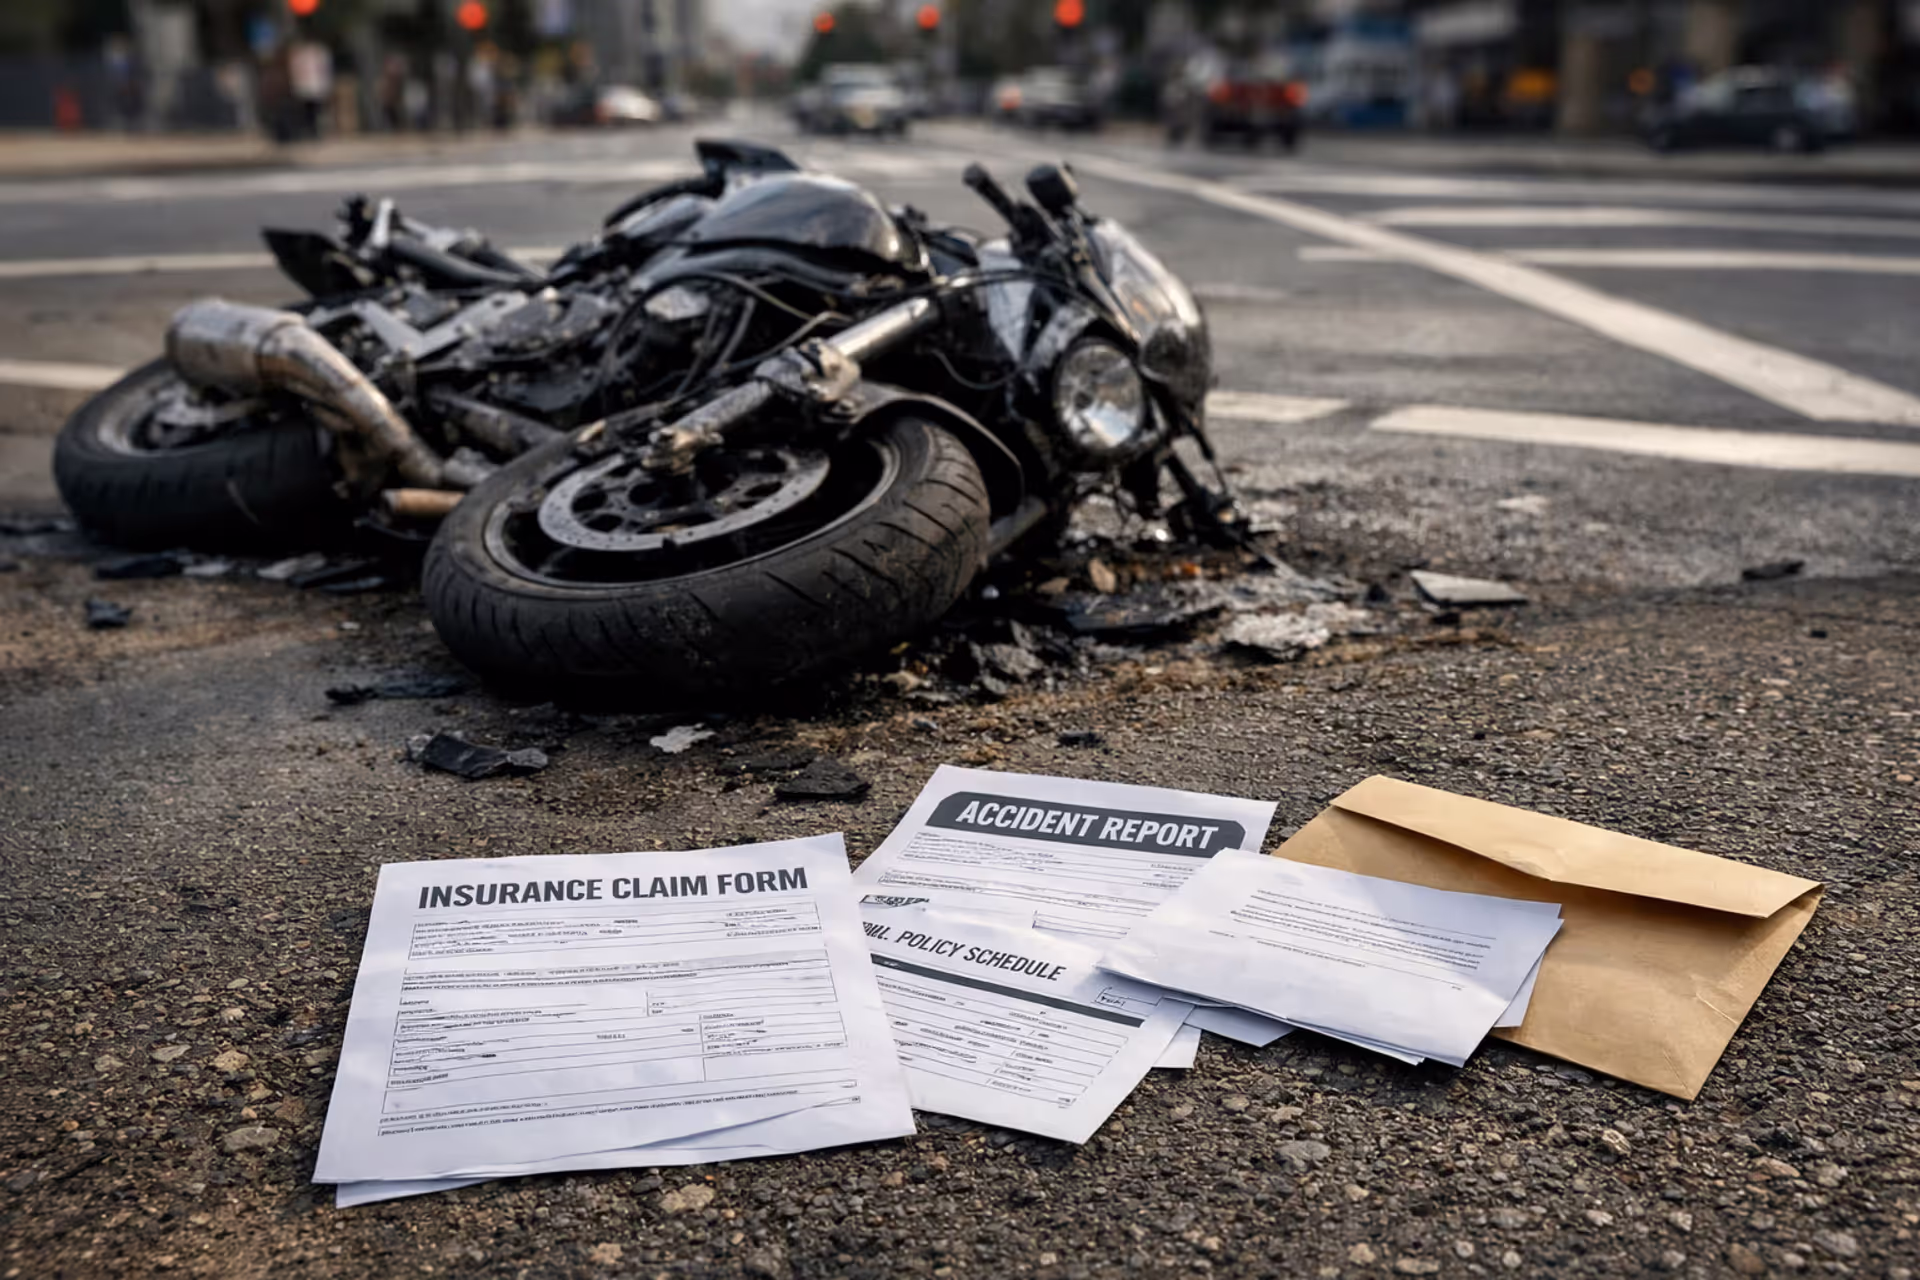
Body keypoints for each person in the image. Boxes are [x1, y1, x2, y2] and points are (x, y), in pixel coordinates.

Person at [288, 38, 333, 140]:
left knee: (316, 110)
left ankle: (316, 130)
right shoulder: (301, 55)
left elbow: (324, 69)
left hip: (315, 86)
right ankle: (311, 130)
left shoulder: (317, 53)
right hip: (307, 87)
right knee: (308, 111)